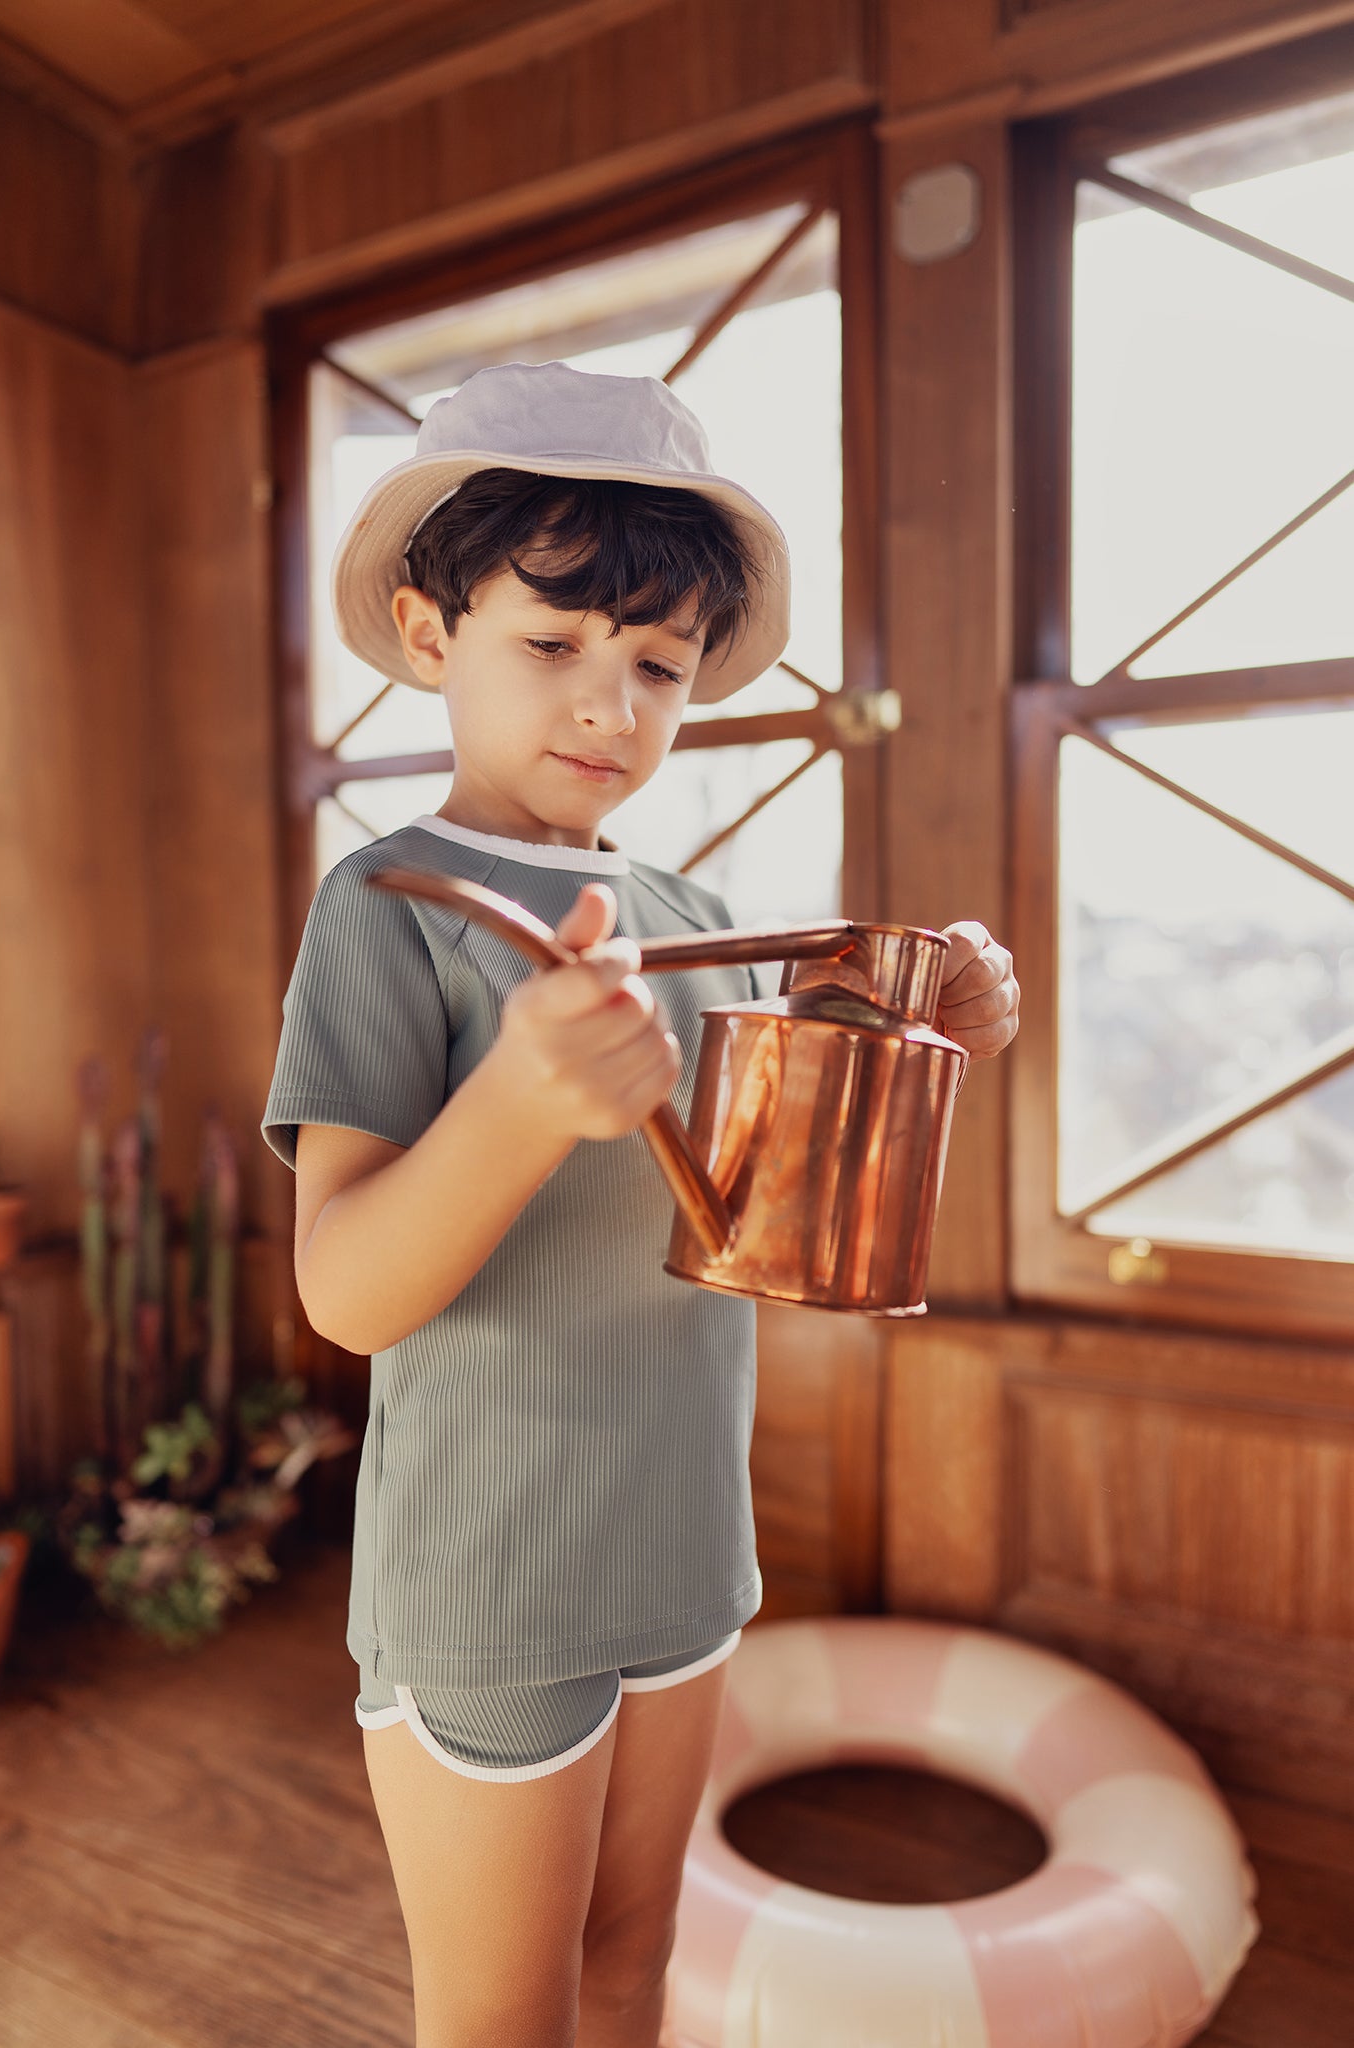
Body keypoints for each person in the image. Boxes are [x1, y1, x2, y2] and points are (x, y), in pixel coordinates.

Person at [261, 359, 1019, 2048]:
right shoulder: (389, 903)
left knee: (631, 1968)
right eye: (553, 647)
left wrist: (927, 1032)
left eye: (657, 667)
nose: (610, 708)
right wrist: (518, 1108)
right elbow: (348, 1292)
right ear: (425, 629)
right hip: (493, 1570)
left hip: (682, 1543)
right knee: (502, 2017)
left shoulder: (694, 907)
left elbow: (773, 1202)